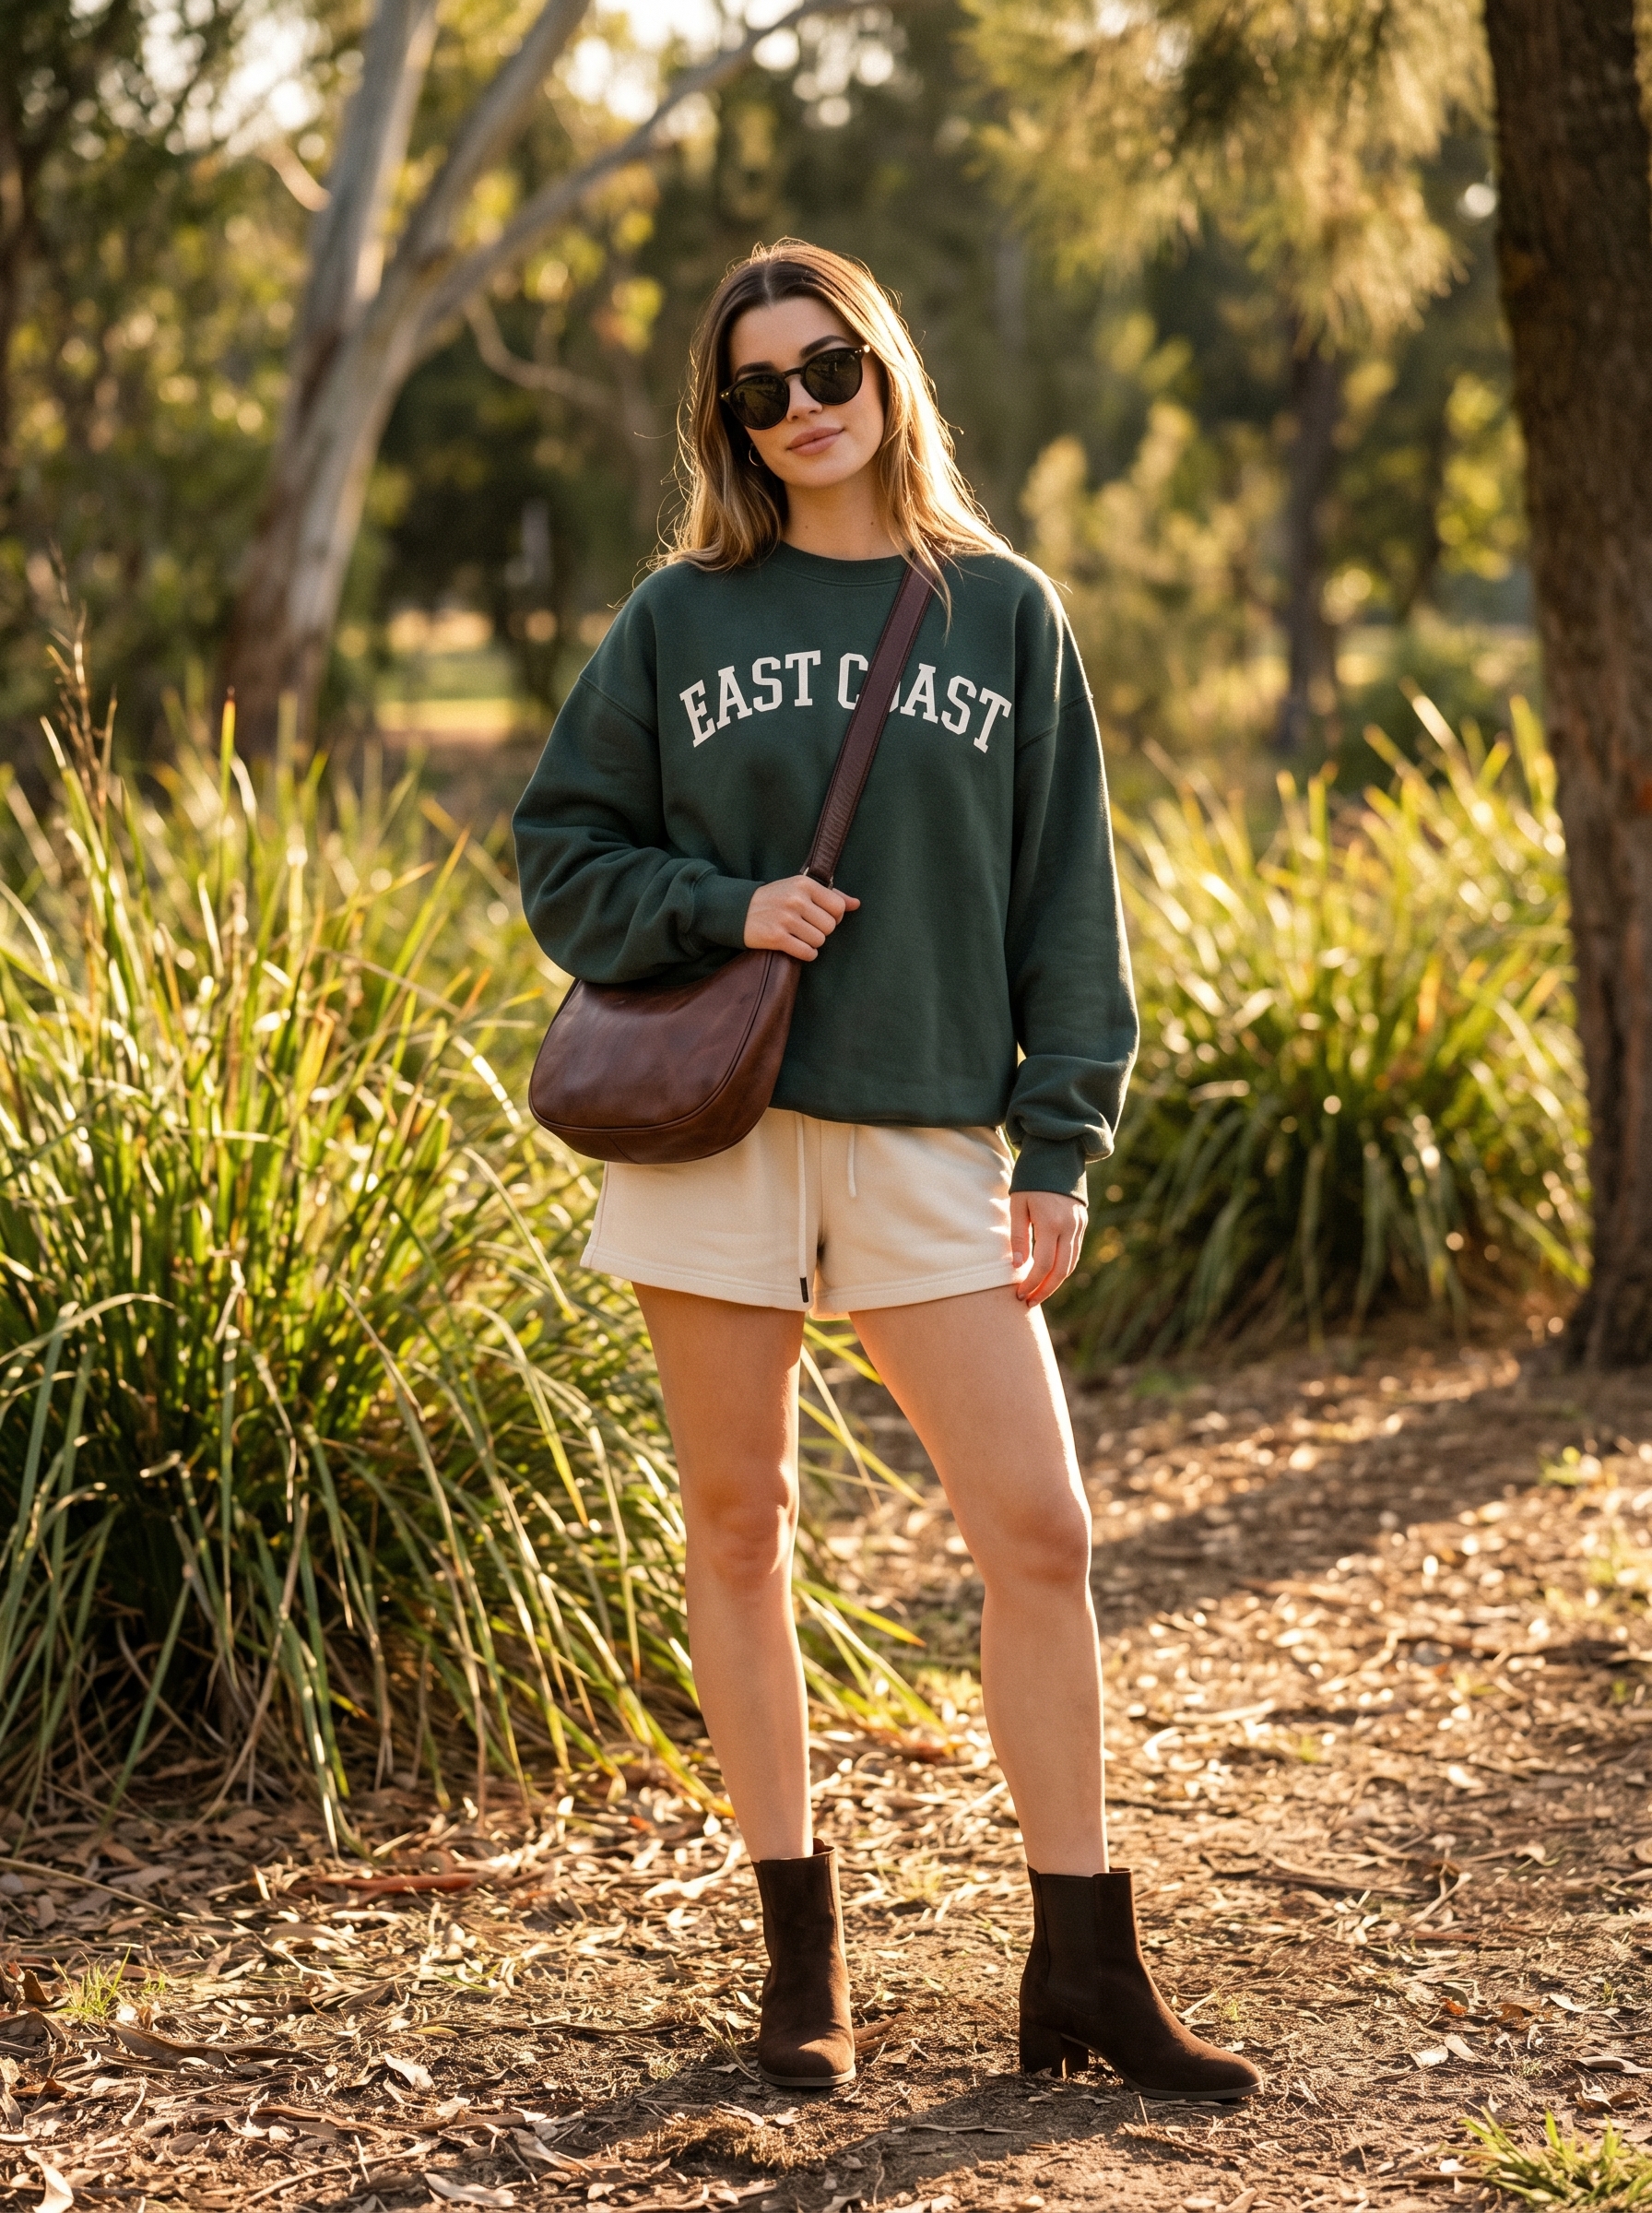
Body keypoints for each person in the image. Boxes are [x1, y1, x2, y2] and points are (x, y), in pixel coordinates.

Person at [513, 240, 1257, 2105]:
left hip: (928, 1130)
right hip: (720, 1129)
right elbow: (558, 848)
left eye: (823, 364)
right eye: (754, 388)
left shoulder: (997, 610)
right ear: (728, 423)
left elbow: (1064, 899)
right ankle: (800, 1971)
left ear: (881, 364)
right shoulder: (678, 619)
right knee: (740, 1528)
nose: (798, 406)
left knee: (1041, 1535)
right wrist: (717, 900)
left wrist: (1062, 1134)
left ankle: (1083, 1962)